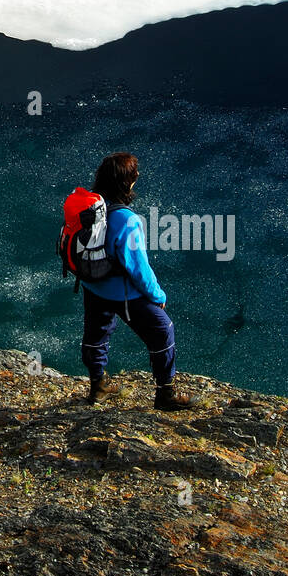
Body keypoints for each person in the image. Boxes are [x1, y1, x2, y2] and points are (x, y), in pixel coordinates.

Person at [80, 151, 197, 411]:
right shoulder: (128, 220)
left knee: (96, 334)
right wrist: (158, 296)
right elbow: (138, 268)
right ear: (126, 182)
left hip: (93, 284)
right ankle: (165, 394)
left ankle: (97, 386)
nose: (138, 176)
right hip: (121, 292)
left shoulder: (89, 206)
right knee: (162, 330)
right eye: (134, 174)